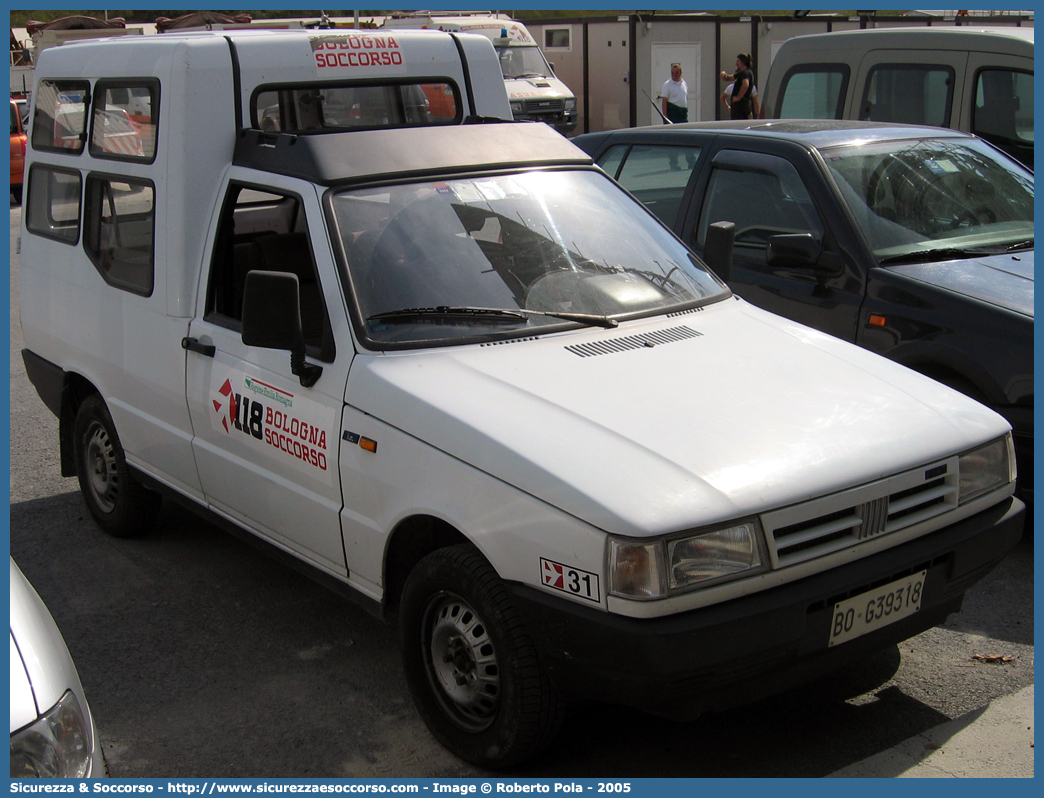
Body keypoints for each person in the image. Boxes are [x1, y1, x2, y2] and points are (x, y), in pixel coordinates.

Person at [720, 53, 755, 120]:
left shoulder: (746, 73)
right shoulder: (741, 74)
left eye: (738, 61)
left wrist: (738, 97)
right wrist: (723, 74)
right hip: (738, 106)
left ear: (743, 62)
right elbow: (728, 78)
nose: (736, 63)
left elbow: (745, 85)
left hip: (741, 106)